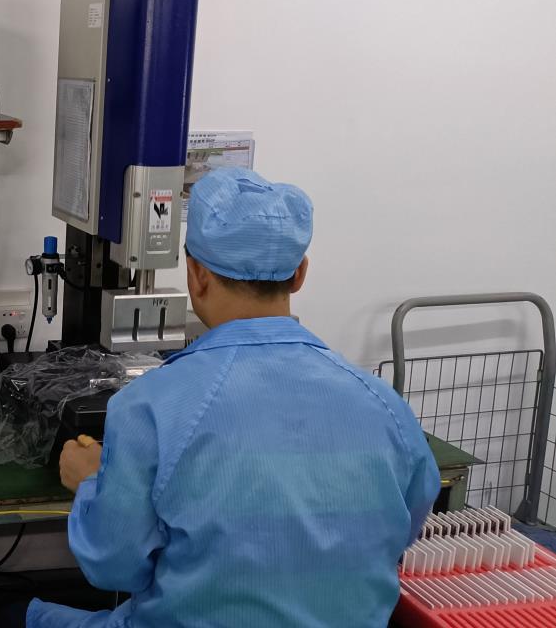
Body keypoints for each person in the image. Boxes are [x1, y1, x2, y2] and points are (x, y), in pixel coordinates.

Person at [28, 167, 440, 628]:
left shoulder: (150, 408)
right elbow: (402, 532)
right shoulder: (385, 407)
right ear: (300, 274)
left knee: (24, 612)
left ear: (196, 274)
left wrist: (92, 484)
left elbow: (112, 567)